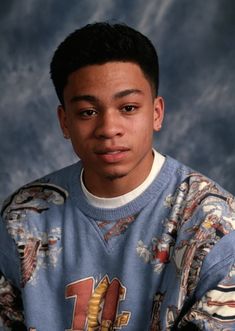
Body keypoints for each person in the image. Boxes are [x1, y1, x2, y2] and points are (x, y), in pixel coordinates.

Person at [0, 22, 235, 331]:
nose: (109, 129)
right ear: (64, 121)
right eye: (87, 112)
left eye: (128, 107)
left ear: (156, 113)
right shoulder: (23, 219)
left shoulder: (213, 226)